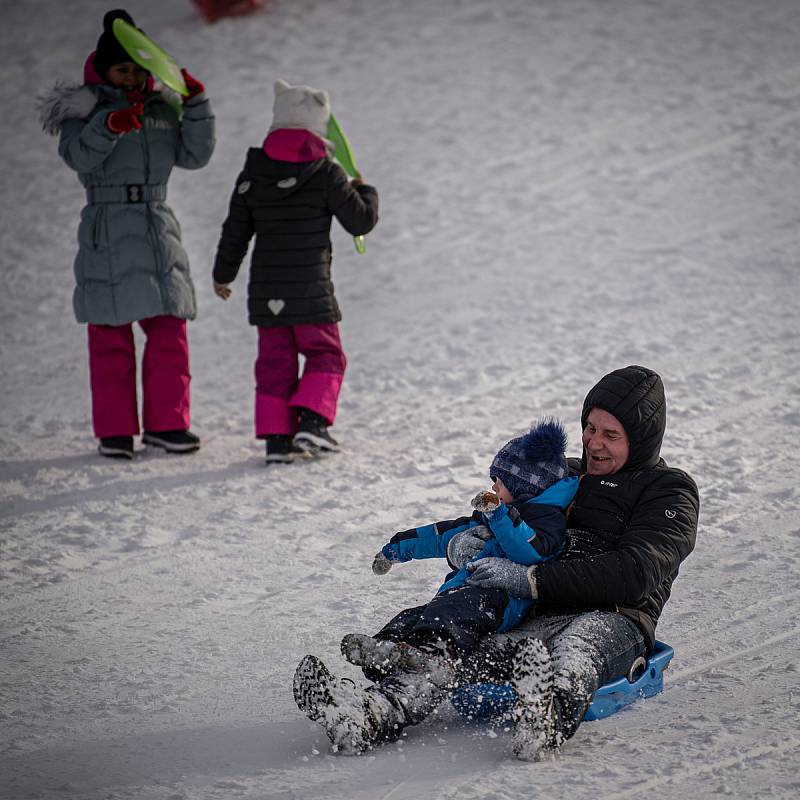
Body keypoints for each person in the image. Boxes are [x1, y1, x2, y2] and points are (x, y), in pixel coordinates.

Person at [292, 365, 700, 759]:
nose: (594, 443)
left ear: (642, 441)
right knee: (455, 655)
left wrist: (533, 579)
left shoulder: (669, 492)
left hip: (615, 615)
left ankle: (545, 721)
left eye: (611, 435)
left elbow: (635, 573)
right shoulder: (564, 474)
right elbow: (501, 516)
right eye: (590, 428)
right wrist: (466, 544)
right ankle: (368, 714)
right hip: (532, 616)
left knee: (575, 650)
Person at [38, 9, 215, 460]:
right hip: (107, 226)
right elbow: (78, 157)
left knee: (169, 327)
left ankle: (168, 425)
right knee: (110, 334)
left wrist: (196, 105)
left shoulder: (162, 108)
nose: (132, 77)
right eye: (122, 69)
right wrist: (108, 127)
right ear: (103, 71)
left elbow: (195, 156)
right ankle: (115, 432)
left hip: (157, 223)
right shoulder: (83, 110)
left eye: (139, 68)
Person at [212, 80, 379, 464]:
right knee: (325, 354)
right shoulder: (326, 173)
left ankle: (276, 440)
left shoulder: (252, 174)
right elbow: (360, 221)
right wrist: (366, 190)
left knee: (274, 362)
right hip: (310, 290)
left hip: (265, 292)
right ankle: (314, 424)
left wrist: (223, 275)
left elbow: (234, 229)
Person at [342, 418, 579, 684]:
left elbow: (529, 551)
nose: (493, 489)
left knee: (449, 614)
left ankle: (432, 653)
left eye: (499, 483)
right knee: (413, 616)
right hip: (461, 595)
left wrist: (500, 514)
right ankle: (386, 651)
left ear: (524, 487)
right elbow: (442, 535)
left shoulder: (546, 520)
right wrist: (396, 549)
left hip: (499, 600)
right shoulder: (490, 518)